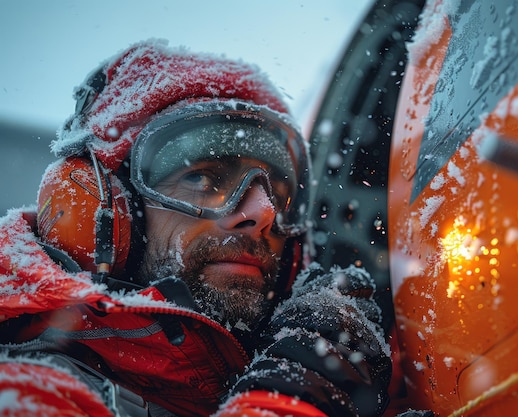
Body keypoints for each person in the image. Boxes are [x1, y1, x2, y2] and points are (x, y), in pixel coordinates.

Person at [0, 40, 391, 417]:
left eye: (277, 192)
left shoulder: (328, 362)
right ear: (106, 211)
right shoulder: (23, 386)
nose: (263, 212)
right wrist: (295, 399)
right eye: (202, 180)